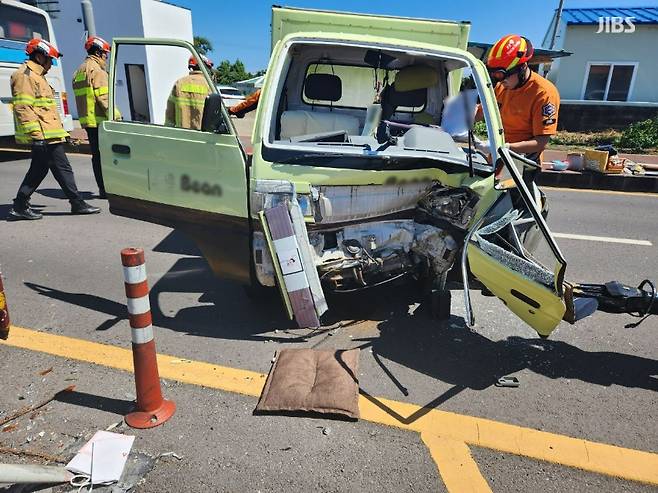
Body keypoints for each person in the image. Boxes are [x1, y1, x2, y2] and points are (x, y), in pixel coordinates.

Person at [9, 38, 100, 220]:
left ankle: (74, 203)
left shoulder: (37, 76)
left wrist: (62, 134)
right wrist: (37, 136)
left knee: (48, 169)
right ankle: (75, 203)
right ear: (39, 56)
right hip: (42, 136)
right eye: (50, 59)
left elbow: (46, 111)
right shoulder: (24, 76)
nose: (51, 63)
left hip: (49, 135)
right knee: (56, 169)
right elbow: (23, 108)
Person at [477, 34, 560, 167]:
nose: (500, 81)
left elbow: (541, 141)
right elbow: (481, 112)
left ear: (522, 67)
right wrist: (460, 116)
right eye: (496, 76)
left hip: (523, 161)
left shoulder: (544, 93)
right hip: (499, 156)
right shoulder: (502, 86)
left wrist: (505, 147)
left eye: (504, 76)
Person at [72, 36, 112, 198]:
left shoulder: (79, 71)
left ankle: (102, 189)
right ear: (97, 52)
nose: (106, 57)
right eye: (104, 53)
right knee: (107, 157)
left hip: (88, 121)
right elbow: (104, 98)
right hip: (100, 121)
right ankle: (109, 189)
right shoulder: (97, 71)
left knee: (97, 156)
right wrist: (117, 118)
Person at [164, 54, 213, 130]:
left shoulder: (179, 83)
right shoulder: (209, 85)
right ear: (206, 67)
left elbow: (170, 114)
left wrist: (167, 132)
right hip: (203, 137)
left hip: (182, 135)